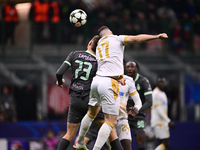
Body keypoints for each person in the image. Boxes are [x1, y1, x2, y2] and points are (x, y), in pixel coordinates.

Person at [74, 26, 168, 150]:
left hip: (96, 81)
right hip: (108, 83)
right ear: (111, 32)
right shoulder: (116, 39)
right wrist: (156, 36)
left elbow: (99, 56)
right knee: (110, 122)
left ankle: (80, 142)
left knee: (91, 113)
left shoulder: (100, 44)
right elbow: (137, 38)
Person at [55, 35, 100, 150]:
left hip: (75, 99)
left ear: (90, 43)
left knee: (69, 135)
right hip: (91, 101)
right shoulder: (100, 61)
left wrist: (60, 82)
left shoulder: (74, 54)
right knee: (109, 129)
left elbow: (59, 73)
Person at [126, 61, 152, 150]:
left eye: (132, 67)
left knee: (140, 144)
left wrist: (136, 110)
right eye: (128, 66)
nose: (130, 68)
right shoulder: (122, 81)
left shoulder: (143, 81)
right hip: (125, 116)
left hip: (139, 116)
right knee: (123, 143)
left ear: (136, 69)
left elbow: (149, 101)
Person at [151, 76, 175, 150]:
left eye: (163, 82)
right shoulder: (156, 93)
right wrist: (169, 121)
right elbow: (158, 110)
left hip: (161, 122)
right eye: (160, 82)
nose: (162, 84)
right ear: (157, 83)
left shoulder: (162, 93)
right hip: (159, 122)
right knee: (166, 144)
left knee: (161, 144)